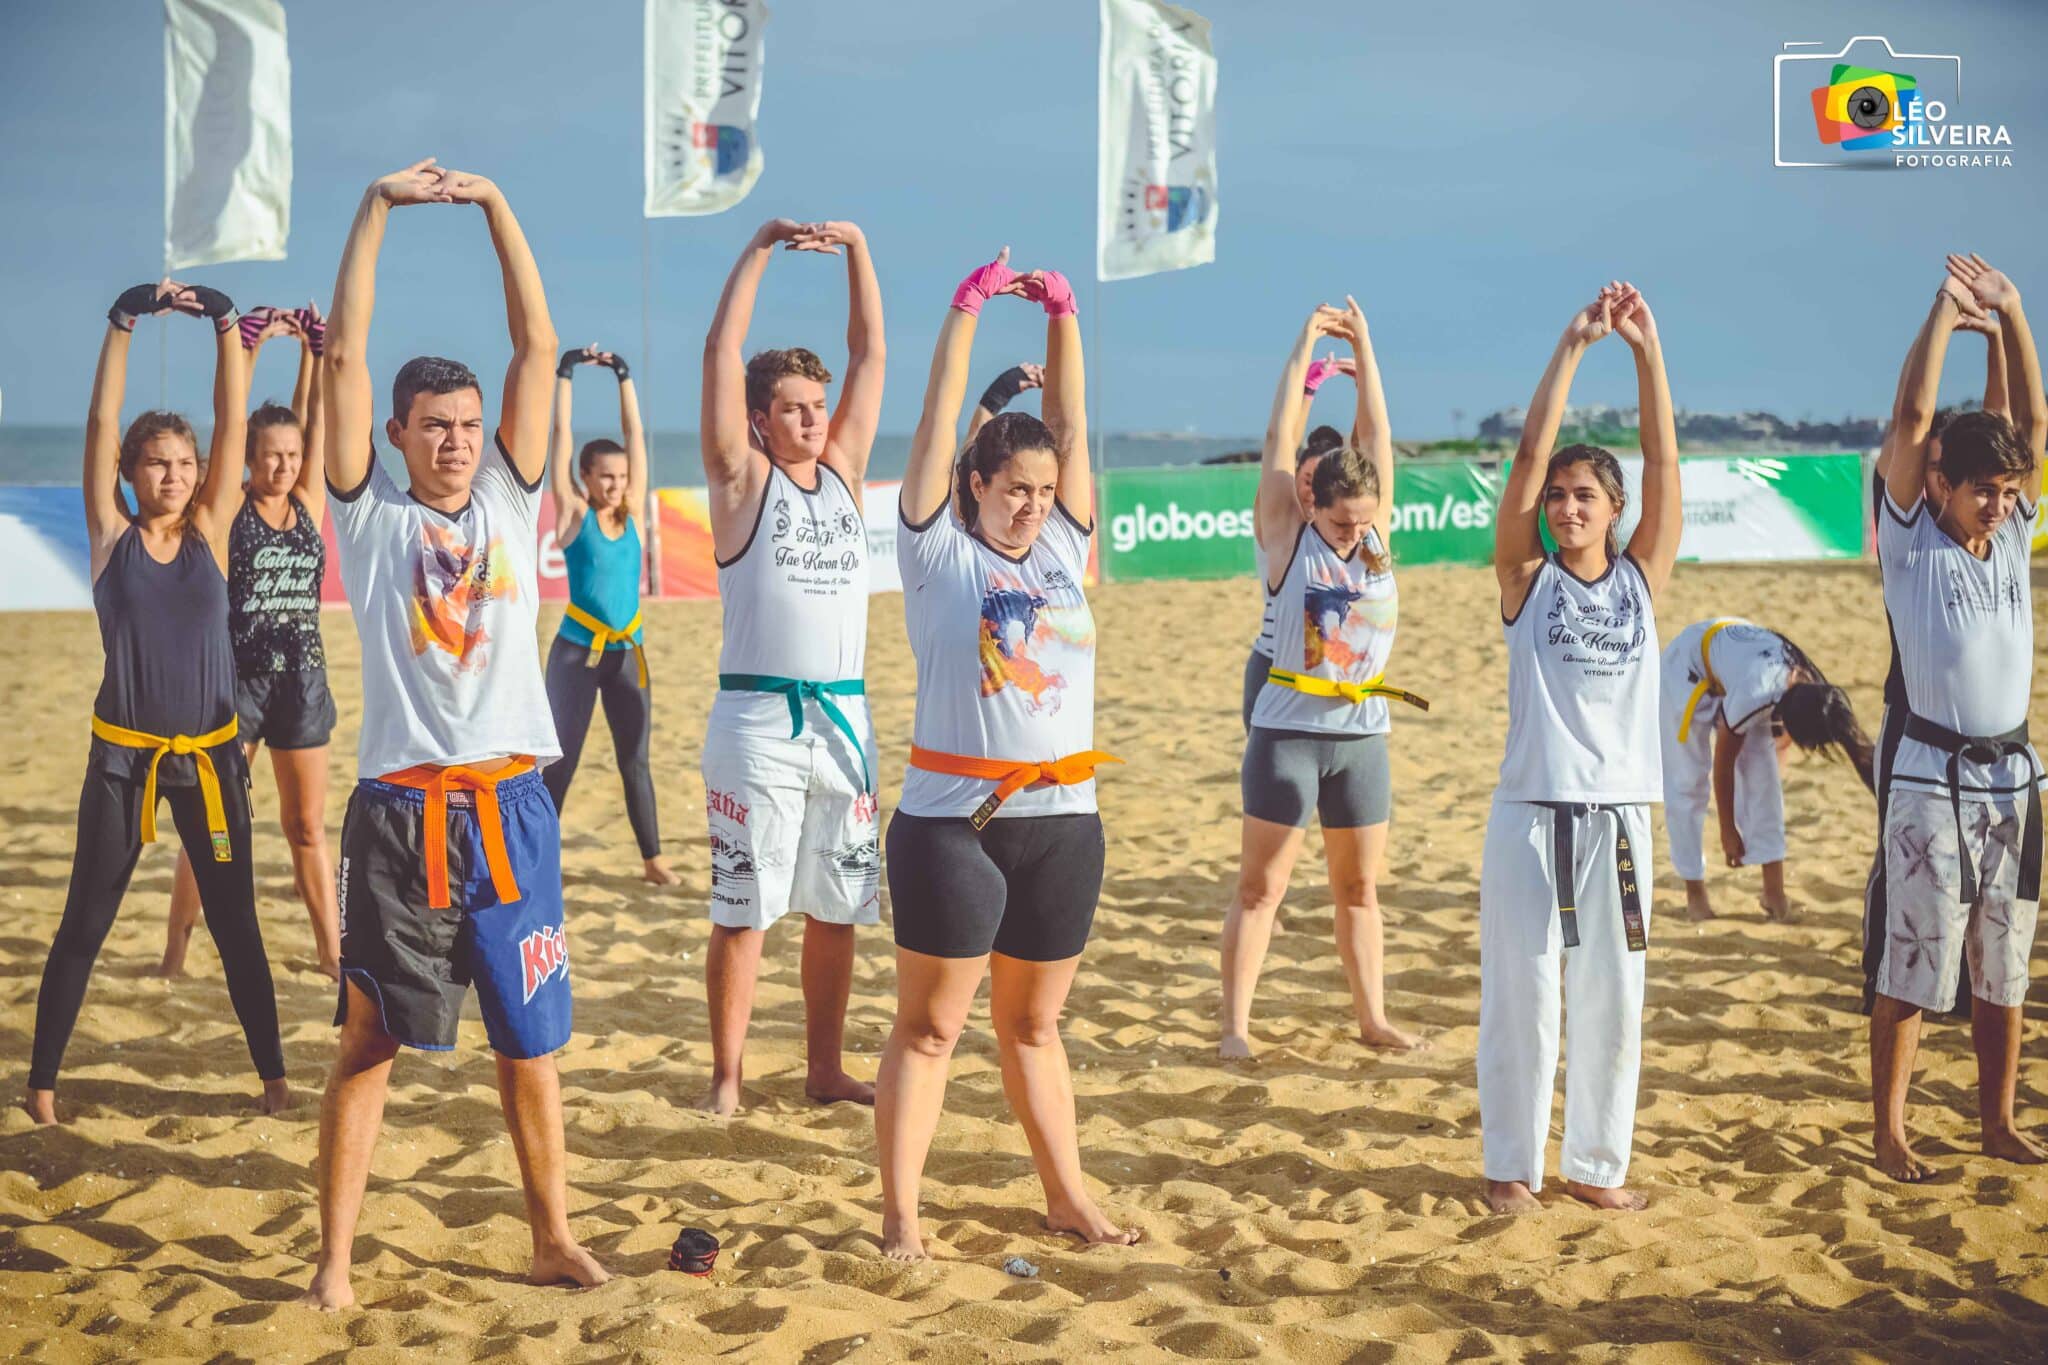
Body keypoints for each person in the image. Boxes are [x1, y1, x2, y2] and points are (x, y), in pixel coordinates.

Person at [294, 160, 605, 1310]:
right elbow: (341, 349)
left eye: (469, 426)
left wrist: (494, 209)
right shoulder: (369, 516)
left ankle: (551, 1237)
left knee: (531, 1045)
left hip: (513, 804)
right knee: (370, 1042)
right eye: (436, 427)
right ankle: (333, 1261)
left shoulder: (513, 501)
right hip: (400, 813)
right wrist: (373, 208)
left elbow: (538, 343)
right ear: (397, 432)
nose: (459, 442)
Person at [874, 247, 1136, 1261]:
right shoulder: (937, 550)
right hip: (951, 826)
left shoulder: (1066, 547)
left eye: (1040, 488)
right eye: (1010, 488)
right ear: (973, 484)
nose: (1029, 503)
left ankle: (1065, 1196)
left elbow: (1069, 428)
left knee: (1034, 1028)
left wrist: (1063, 316)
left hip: (1063, 825)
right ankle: (902, 1216)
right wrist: (967, 309)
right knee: (931, 1031)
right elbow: (937, 415)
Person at [26, 280, 288, 1125]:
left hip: (211, 763)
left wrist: (223, 327)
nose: (172, 475)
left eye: (183, 463)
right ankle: (40, 1087)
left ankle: (275, 1078)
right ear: (130, 473)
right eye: (155, 463)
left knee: (236, 925)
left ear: (200, 472)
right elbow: (102, 421)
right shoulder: (111, 538)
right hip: (121, 764)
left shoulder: (212, 525)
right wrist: (121, 323)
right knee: (83, 926)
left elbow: (232, 414)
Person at [1479, 282, 1681, 1214]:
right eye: (1558, 496)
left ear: (1614, 508)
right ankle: (1510, 1169)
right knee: (1523, 999)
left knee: (1612, 1001)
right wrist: (1570, 345)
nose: (1565, 508)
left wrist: (1645, 351)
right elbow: (1525, 455)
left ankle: (1596, 1169)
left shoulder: (1642, 579)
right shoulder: (1526, 579)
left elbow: (1663, 458)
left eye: (1584, 496)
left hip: (1622, 820)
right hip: (1531, 814)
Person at [696, 217, 885, 1115]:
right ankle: (728, 1081)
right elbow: (721, 349)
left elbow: (872, 353)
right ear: (759, 418)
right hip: (759, 723)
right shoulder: (742, 481)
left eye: (818, 406)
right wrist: (762, 245)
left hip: (845, 720)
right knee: (744, 909)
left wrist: (857, 250)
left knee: (838, 908)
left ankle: (822, 1069)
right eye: (794, 408)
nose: (813, 418)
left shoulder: (844, 472)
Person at [1863, 253, 2045, 1183]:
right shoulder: (1910, 533)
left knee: (2002, 960)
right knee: (1916, 955)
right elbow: (1912, 418)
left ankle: (1997, 1121)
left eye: (2009, 491)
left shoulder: (2009, 528)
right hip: (1931, 775)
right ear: (1941, 483)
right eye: (1985, 488)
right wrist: (1943, 310)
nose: (2001, 502)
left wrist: (2013, 315)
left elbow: (2028, 425)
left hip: (2014, 773)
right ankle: (1891, 1131)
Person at [1219, 298, 1425, 1059]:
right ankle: (1236, 1026)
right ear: (1315, 505)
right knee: (1260, 888)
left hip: (1363, 737)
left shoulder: (1376, 533)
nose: (1357, 531)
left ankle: (1372, 1017)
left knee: (1361, 892)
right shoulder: (1287, 536)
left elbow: (1378, 434)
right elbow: (1277, 443)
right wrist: (1304, 340)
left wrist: (1366, 346)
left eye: (1366, 519)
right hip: (1287, 735)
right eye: (1344, 521)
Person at [162, 302, 343, 980]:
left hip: (304, 683)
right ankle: (175, 952)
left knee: (306, 828)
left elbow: (313, 423)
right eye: (269, 456)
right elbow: (236, 420)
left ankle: (332, 952)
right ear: (249, 458)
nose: (283, 465)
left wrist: (316, 354)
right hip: (236, 684)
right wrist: (251, 346)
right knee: (213, 827)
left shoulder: (310, 502)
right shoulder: (229, 504)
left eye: (291, 457)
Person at [1860, 299, 2011, 1016]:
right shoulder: (1909, 516)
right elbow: (1908, 418)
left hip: (1977, 738)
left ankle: (1947, 981)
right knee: (1902, 868)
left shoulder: (1987, 521)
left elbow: (2006, 430)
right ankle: (1884, 974)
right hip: (1912, 710)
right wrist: (1941, 320)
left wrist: (1997, 339)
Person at [542, 343, 674, 886]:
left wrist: (623, 374)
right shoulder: (575, 514)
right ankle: (538, 858)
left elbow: (637, 439)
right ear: (587, 478)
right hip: (577, 653)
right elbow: (559, 441)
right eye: (607, 477)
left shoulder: (634, 510)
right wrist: (566, 373)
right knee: (562, 763)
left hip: (628, 653)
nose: (617, 484)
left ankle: (653, 861)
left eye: (621, 477)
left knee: (635, 762)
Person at [1660, 620, 1874, 922]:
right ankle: (1695, 894)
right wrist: (1728, 830)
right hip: (1686, 669)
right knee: (1688, 783)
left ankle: (1773, 893)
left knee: (1765, 780)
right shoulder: (1755, 693)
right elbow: (1723, 764)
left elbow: (1846, 745)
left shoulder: (1810, 682)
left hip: (1736, 659)